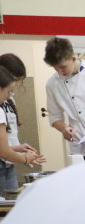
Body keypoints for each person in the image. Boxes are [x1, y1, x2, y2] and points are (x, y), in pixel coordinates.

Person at [0, 56, 46, 189]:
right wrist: (24, 159)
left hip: (8, 161)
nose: (17, 84)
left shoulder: (8, 100)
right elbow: (3, 151)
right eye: (16, 79)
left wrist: (18, 149)